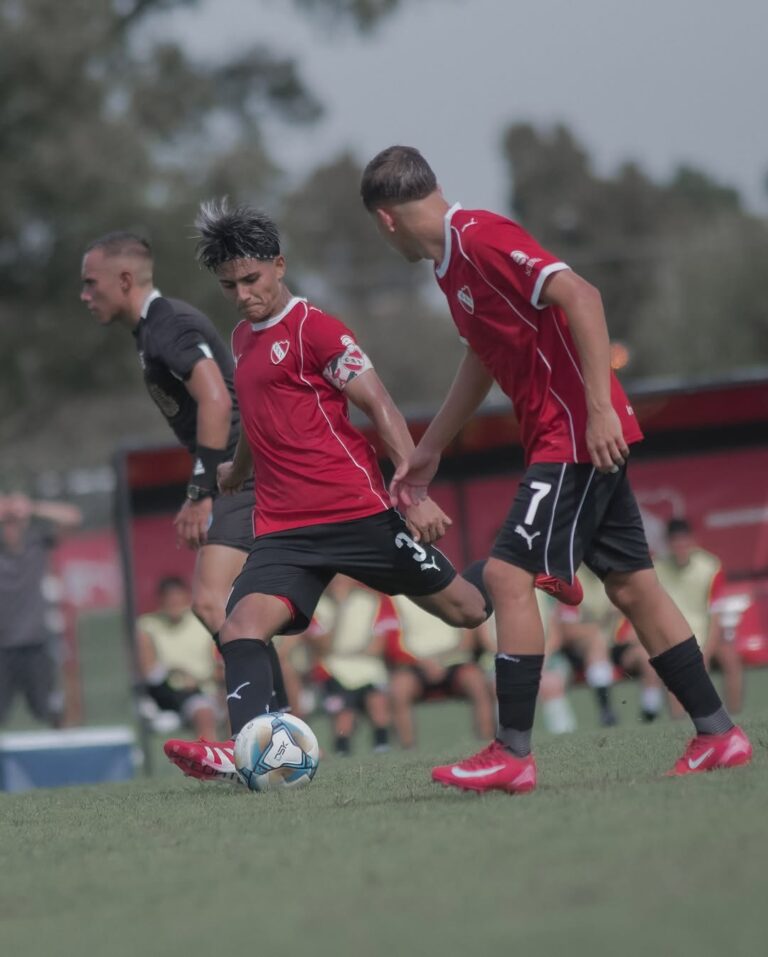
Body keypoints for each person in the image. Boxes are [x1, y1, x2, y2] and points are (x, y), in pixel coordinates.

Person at [360, 145, 752, 792]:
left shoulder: (481, 237)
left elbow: (583, 295)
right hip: (567, 435)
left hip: (574, 436)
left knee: (508, 573)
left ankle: (511, 752)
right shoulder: (449, 268)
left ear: (386, 220)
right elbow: (483, 360)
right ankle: (720, 733)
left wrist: (598, 409)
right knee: (632, 588)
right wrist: (429, 447)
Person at [163, 199, 494, 783]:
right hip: (285, 529)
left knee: (467, 611)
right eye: (229, 285)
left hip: (358, 514)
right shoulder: (241, 340)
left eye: (251, 279)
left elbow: (379, 405)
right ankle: (244, 749)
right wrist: (239, 469)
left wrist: (412, 492)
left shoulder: (317, 328)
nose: (242, 294)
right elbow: (262, 420)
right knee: (240, 625)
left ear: (280, 265)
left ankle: (524, 562)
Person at [80, 231, 287, 727]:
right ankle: (276, 727)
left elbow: (217, 399)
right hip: (238, 474)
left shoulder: (167, 324)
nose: (85, 296)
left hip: (244, 473)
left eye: (91, 284)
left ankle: (273, 731)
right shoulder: (150, 330)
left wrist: (200, 493)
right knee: (225, 609)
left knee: (213, 603)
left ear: (125, 280)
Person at [0, 492, 82, 727]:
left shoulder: (37, 544)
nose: (10, 528)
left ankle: (62, 757)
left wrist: (31, 507)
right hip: (2, 647)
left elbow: (73, 518)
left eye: (14, 522)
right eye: (5, 523)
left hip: (35, 644)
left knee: (49, 711)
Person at [655, 518, 743, 714]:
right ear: (667, 544)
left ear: (692, 540)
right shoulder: (656, 570)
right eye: (674, 541)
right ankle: (677, 726)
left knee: (731, 659)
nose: (680, 546)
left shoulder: (710, 566)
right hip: (675, 639)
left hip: (707, 634)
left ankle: (736, 716)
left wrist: (707, 653)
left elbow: (716, 617)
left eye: (683, 540)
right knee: (673, 671)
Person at [385, 595, 495, 749]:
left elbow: (467, 641)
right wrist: (424, 663)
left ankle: (488, 744)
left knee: (477, 681)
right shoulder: (394, 597)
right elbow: (393, 643)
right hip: (416, 664)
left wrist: (440, 661)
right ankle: (408, 750)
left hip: (454, 659)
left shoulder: (453, 588)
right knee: (399, 688)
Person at [136, 576, 223, 742]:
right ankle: (209, 761)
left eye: (178, 599)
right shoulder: (147, 626)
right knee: (202, 711)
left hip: (208, 690)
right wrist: (175, 674)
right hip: (167, 694)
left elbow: (220, 668)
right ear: (161, 600)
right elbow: (148, 671)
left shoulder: (203, 622)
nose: (174, 604)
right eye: (169, 600)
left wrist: (202, 680)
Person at [314, 576, 391, 755]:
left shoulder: (371, 601)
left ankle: (382, 746)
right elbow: (323, 648)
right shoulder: (318, 606)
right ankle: (342, 750)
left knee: (377, 703)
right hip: (333, 668)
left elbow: (377, 647)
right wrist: (340, 609)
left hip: (369, 667)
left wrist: (346, 651)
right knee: (343, 712)